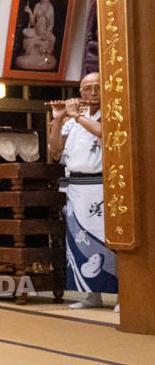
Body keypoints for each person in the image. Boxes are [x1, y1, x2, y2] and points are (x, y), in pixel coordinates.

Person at [48, 72, 118, 309]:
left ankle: (123, 294)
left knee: (108, 239)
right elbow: (55, 150)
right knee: (79, 241)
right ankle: (90, 294)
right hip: (76, 187)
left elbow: (102, 132)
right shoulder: (73, 120)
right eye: (87, 88)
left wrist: (76, 115)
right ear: (80, 92)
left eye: (98, 87)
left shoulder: (112, 111)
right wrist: (58, 119)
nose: (93, 92)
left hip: (102, 186)